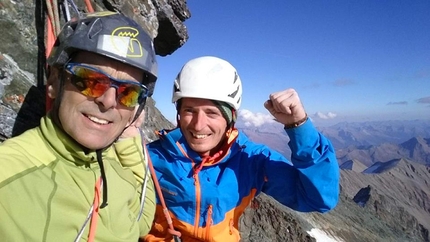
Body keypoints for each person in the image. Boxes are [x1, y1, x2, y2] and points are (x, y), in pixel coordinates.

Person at [140, 56, 340, 242]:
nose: (198, 125)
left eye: (212, 113)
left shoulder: (251, 161)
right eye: (189, 111)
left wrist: (299, 126)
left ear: (230, 118)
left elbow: (319, 199)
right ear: (179, 114)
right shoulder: (150, 157)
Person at [0, 11, 158, 241]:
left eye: (129, 93)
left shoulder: (117, 170)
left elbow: (142, 220)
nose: (109, 101)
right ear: (54, 82)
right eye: (91, 80)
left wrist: (130, 138)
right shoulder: (8, 173)